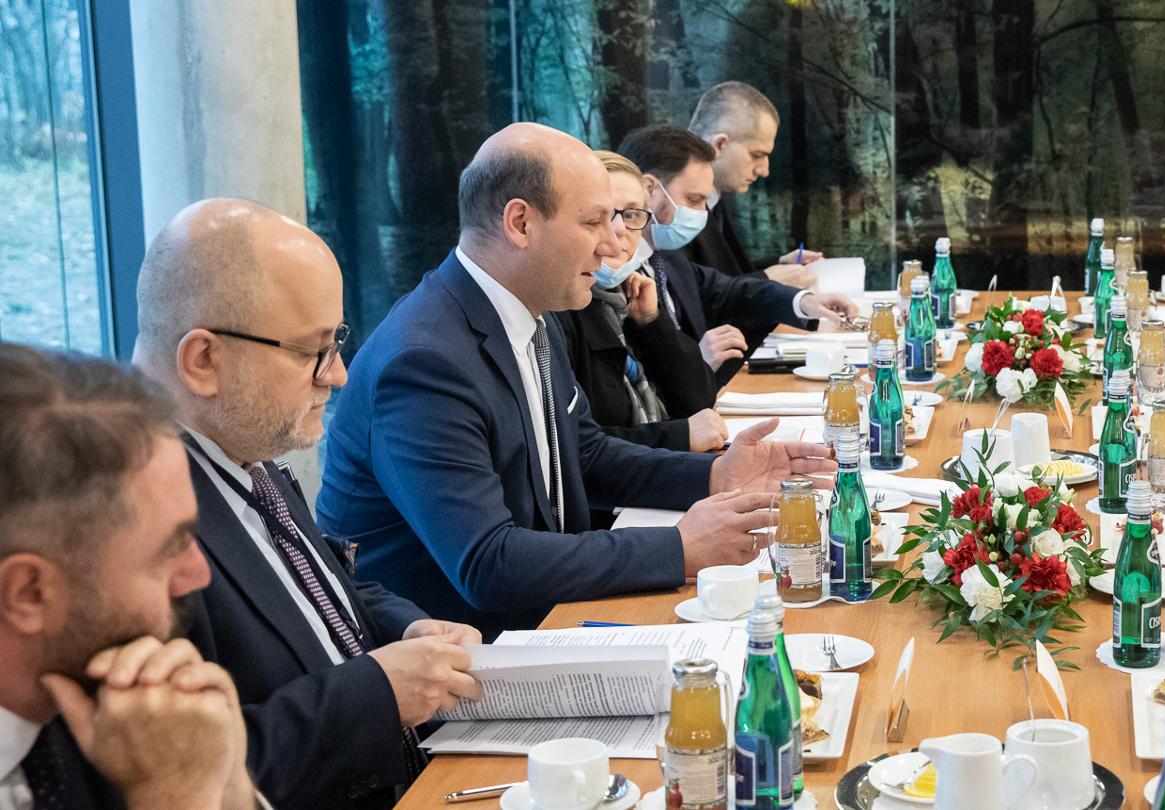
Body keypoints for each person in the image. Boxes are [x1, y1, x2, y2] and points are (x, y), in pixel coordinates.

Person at [318, 122, 835, 638]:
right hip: (463, 664)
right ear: (519, 223)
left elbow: (584, 456)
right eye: (593, 222)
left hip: (548, 618)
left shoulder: (529, 313)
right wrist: (678, 547)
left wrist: (715, 476)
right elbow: (488, 565)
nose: (613, 246)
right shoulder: (425, 360)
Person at [132, 198, 485, 809]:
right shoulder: (130, 522)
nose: (339, 374)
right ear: (204, 361)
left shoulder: (238, 445)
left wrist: (408, 628)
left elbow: (319, 582)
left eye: (336, 342)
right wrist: (377, 692)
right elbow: (190, 776)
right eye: (311, 350)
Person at [0, 343, 264, 809]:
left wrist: (228, 787)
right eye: (168, 551)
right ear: (30, 593)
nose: (198, 576)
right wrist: (177, 798)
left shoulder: (124, 714)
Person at [615, 125, 858, 413]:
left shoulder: (666, 257)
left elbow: (729, 290)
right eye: (694, 200)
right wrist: (697, 362)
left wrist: (804, 301)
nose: (702, 214)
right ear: (649, 189)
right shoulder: (613, 275)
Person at [552, 151, 727, 452]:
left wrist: (652, 323)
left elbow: (700, 399)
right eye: (602, 216)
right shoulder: (559, 308)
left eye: (632, 214)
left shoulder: (627, 298)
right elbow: (576, 447)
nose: (618, 231)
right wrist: (678, 436)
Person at [683, 81, 819, 286]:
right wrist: (766, 279)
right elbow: (689, 295)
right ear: (719, 144)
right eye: (757, 155)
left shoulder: (717, 199)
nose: (764, 170)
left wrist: (778, 266)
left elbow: (722, 273)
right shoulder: (676, 210)